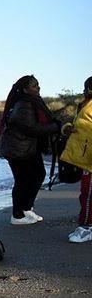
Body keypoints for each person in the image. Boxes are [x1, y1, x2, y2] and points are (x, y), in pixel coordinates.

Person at [0, 75, 60, 225]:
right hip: (18, 149)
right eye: (34, 86)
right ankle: (17, 215)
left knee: (37, 175)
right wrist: (56, 127)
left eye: (38, 85)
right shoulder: (23, 105)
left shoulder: (31, 102)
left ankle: (26, 209)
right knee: (23, 180)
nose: (38, 88)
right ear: (25, 89)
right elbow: (32, 128)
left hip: (27, 147)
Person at [60, 76, 92, 243]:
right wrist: (67, 128)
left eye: (87, 88)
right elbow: (81, 125)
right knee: (86, 194)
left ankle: (86, 228)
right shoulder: (85, 104)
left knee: (88, 194)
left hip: (89, 159)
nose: (84, 91)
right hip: (84, 156)